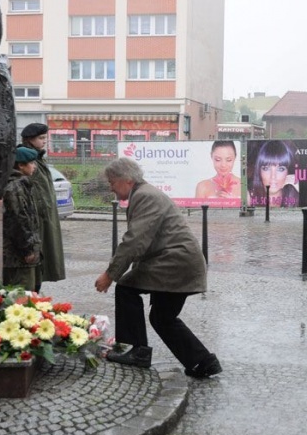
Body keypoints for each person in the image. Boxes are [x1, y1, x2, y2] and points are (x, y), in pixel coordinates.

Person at [94, 158, 221, 379]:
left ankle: (137, 352)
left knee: (126, 288)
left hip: (175, 264)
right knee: (162, 318)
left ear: (127, 179)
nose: (111, 187)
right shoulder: (144, 194)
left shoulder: (145, 196)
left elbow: (134, 241)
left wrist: (110, 274)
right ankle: (203, 362)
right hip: (177, 264)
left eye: (112, 182)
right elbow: (142, 243)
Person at [21, 123, 65, 291]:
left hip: (45, 217)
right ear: (29, 140)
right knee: (35, 264)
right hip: (37, 220)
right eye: (41, 138)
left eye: (45, 138)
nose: (44, 141)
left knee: (43, 261)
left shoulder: (38, 159)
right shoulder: (26, 160)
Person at [2, 146, 41, 289]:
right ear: (21, 165)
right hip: (17, 257)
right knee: (21, 297)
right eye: (31, 163)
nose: (35, 167)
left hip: (18, 255)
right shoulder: (15, 187)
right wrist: (27, 249)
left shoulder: (21, 185)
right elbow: (18, 220)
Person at [247, 140, 299, 208]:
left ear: (288, 172)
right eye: (266, 169)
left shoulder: (297, 198)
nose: (273, 176)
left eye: (280, 169)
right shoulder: (248, 198)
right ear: (259, 171)